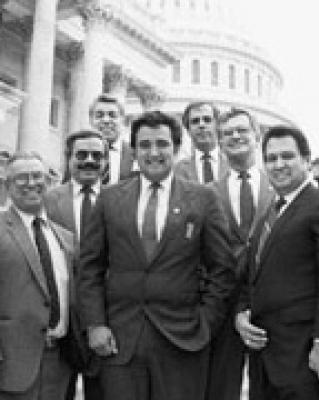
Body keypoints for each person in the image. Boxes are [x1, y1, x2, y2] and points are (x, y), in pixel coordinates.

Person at [78, 110, 236, 400]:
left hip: (183, 340)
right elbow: (90, 268)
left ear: (176, 148)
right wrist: (95, 324)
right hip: (119, 341)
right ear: (134, 150)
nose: (154, 153)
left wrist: (205, 322)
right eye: (145, 145)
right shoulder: (110, 198)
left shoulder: (203, 199)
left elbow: (222, 269)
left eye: (162, 144)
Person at [235, 126, 319, 400]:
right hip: (264, 360)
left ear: (306, 161)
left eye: (287, 156)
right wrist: (242, 313)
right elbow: (254, 275)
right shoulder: (269, 213)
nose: (278, 165)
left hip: (307, 360)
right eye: (271, 158)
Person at [207, 109, 274, 400]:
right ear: (219, 143)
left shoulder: (280, 188)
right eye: (227, 133)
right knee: (221, 387)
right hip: (223, 305)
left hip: (271, 301)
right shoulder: (206, 193)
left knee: (270, 385)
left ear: (257, 136)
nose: (235, 136)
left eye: (242, 130)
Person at [0, 152, 76, 399]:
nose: (31, 183)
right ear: (7, 185)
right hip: (10, 365)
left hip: (60, 364)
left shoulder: (66, 238)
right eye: (22, 177)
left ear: (50, 182)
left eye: (38, 176)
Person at [45, 129, 107, 400]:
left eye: (97, 155)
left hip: (106, 318)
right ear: (68, 158)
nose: (89, 161)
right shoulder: (47, 200)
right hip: (60, 321)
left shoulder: (120, 199)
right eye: (81, 155)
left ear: (106, 161)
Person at [175, 101, 229, 183]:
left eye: (207, 120)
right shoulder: (178, 170)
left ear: (218, 126)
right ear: (188, 130)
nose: (201, 125)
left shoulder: (233, 164)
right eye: (195, 121)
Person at [89, 94, 137, 183]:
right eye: (99, 115)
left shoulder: (135, 153)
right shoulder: (77, 153)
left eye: (112, 115)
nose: (106, 120)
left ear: (122, 120)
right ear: (91, 120)